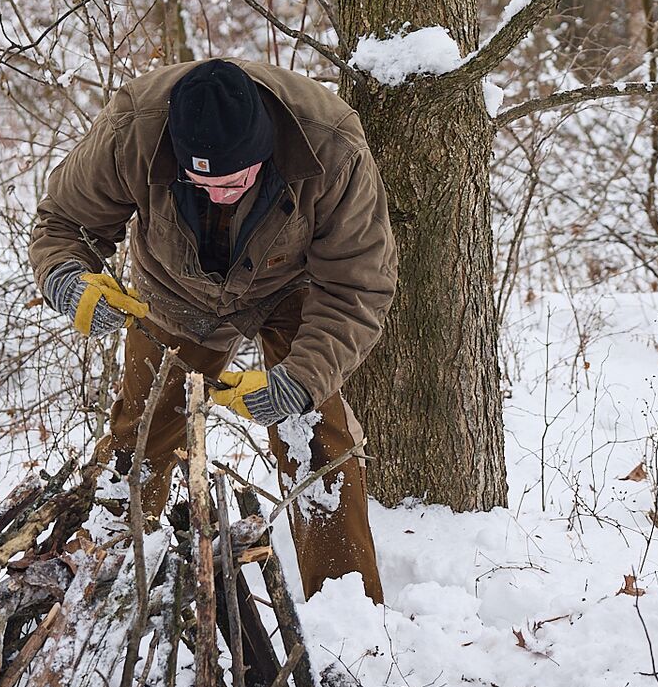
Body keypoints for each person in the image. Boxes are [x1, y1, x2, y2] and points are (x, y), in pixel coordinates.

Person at [31, 57, 394, 602]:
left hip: (290, 284)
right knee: (143, 434)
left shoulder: (332, 146)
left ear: (265, 151)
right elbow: (65, 220)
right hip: (176, 289)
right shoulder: (134, 128)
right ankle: (110, 582)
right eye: (201, 182)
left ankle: (347, 610)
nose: (219, 194)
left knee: (315, 434)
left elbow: (357, 285)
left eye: (235, 182)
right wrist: (68, 279)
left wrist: (299, 378)